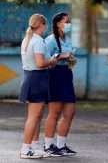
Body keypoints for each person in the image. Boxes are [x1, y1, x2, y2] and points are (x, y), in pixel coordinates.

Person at [19, 14, 57, 159]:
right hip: (37, 78)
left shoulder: (27, 39)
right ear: (41, 24)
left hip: (31, 77)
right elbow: (41, 63)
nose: (46, 27)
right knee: (33, 117)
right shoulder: (38, 41)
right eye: (45, 25)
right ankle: (25, 148)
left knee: (37, 115)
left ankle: (34, 145)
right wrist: (53, 60)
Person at [44, 12, 76, 156]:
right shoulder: (50, 40)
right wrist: (60, 56)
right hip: (54, 75)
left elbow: (69, 55)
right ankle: (48, 146)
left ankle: (61, 145)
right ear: (57, 24)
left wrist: (70, 59)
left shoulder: (67, 39)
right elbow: (44, 60)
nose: (68, 24)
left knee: (70, 111)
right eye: (66, 21)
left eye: (69, 21)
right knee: (54, 112)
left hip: (66, 74)